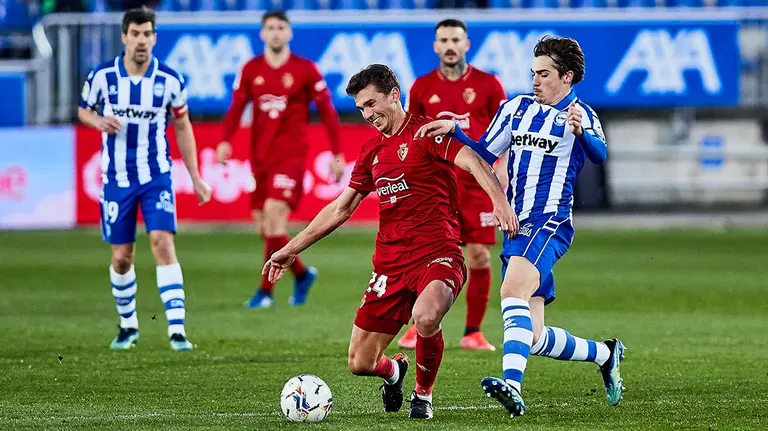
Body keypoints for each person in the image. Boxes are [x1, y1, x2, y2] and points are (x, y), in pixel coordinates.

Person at [262, 64, 517, 419]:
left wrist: (500, 202)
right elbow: (341, 208)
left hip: (438, 254)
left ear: (394, 95)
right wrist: (290, 249)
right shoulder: (371, 151)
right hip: (390, 265)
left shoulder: (427, 133)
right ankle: (394, 372)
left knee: (425, 317)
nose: (368, 114)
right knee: (360, 362)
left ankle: (423, 397)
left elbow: (474, 161)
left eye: (371, 104)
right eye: (361, 109)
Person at [415, 35, 625, 417]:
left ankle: (512, 386)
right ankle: (606, 353)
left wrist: (584, 134)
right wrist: (455, 131)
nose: (535, 80)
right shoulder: (516, 109)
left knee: (511, 291)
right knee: (534, 335)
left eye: (544, 74)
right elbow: (483, 153)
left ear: (567, 76)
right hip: (516, 225)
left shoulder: (581, 115)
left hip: (551, 222)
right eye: (533, 73)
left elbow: (600, 155)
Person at [77, 7, 212, 351]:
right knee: (122, 256)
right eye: (135, 34)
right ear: (124, 36)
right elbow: (82, 110)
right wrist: (98, 122)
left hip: (156, 176)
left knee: (163, 244)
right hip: (117, 179)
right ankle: (128, 327)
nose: (141, 40)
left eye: (147, 34)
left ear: (154, 37)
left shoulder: (170, 80)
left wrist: (196, 176)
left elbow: (182, 125)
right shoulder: (102, 76)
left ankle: (177, 331)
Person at [215, 10, 344, 309]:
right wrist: (224, 141)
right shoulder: (251, 69)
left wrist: (337, 153)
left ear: (289, 33)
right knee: (265, 228)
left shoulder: (306, 69)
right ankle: (301, 274)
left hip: (291, 155)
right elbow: (236, 107)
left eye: (280, 27)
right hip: (260, 157)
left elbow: (327, 111)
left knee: (274, 215)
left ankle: (265, 291)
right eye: (270, 28)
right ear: (262, 34)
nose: (275, 33)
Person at [398, 18, 508, 352]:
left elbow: (503, 132)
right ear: (435, 46)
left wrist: (500, 168)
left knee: (478, 257)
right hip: (437, 185)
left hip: (475, 183)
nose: (449, 45)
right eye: (443, 40)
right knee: (428, 256)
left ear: (466, 44)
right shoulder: (421, 87)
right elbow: (410, 133)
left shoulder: (489, 84)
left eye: (455, 39)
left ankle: (472, 332)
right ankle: (420, 325)